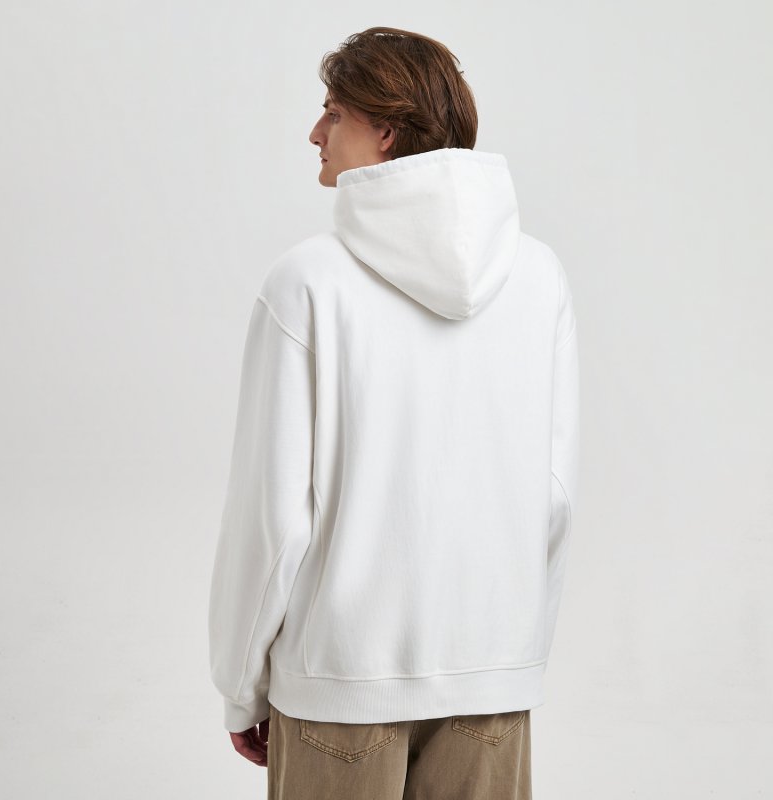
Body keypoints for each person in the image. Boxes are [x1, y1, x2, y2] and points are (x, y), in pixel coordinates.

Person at [208, 26, 579, 799]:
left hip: (340, 682)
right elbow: (553, 498)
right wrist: (511, 658)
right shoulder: (539, 277)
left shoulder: (307, 284)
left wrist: (242, 685)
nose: (315, 132)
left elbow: (272, 520)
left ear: (385, 129)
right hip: (491, 678)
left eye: (333, 112)